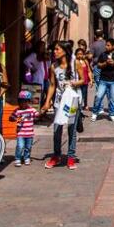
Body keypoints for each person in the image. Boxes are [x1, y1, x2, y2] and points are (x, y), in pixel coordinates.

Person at [42, 41, 86, 170]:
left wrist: (74, 83)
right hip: (59, 102)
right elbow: (52, 85)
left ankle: (71, 157)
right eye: (54, 49)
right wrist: (47, 102)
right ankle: (56, 155)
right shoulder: (53, 66)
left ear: (64, 51)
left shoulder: (75, 63)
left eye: (57, 49)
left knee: (71, 129)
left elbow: (83, 79)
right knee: (57, 128)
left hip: (72, 100)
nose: (54, 52)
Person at [91, 38, 114, 121]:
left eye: (108, 45)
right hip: (103, 80)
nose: (106, 47)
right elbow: (98, 65)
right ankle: (95, 113)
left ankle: (112, 114)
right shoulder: (103, 55)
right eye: (106, 45)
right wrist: (105, 63)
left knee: (113, 98)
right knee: (98, 96)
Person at [10, 90, 39, 167]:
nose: (23, 103)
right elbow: (11, 117)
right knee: (20, 146)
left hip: (29, 133)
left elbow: (37, 116)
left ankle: (26, 157)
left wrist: (38, 116)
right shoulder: (17, 110)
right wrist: (14, 118)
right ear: (19, 102)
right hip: (20, 133)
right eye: (21, 101)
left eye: (25, 101)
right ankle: (18, 158)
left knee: (28, 147)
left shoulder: (32, 110)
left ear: (28, 102)